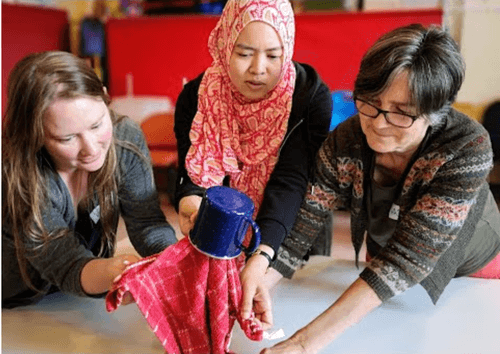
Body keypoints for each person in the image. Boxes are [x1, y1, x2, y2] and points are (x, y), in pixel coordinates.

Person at [260, 24, 500, 353]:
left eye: (401, 112)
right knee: (384, 339)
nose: (379, 122)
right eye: (371, 102)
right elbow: (306, 221)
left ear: (434, 114)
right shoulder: (346, 139)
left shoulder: (466, 145)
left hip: (474, 266)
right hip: (386, 256)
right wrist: (263, 279)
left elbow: (406, 260)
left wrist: (303, 344)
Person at [173, 0, 332, 329]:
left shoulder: (309, 97)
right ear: (225, 43)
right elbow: (193, 172)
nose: (258, 68)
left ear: (287, 48)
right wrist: (191, 201)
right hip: (221, 235)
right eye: (244, 53)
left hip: (289, 237)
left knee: (291, 319)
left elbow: (291, 182)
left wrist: (262, 256)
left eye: (273, 55)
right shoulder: (198, 97)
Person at [2, 51, 178, 309]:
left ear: (105, 97)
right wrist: (112, 273)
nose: (91, 148)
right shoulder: (15, 173)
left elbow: (147, 222)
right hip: (15, 303)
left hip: (75, 295)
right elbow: (65, 262)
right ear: (35, 133)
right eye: (67, 138)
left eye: (97, 125)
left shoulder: (124, 139)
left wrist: (173, 262)